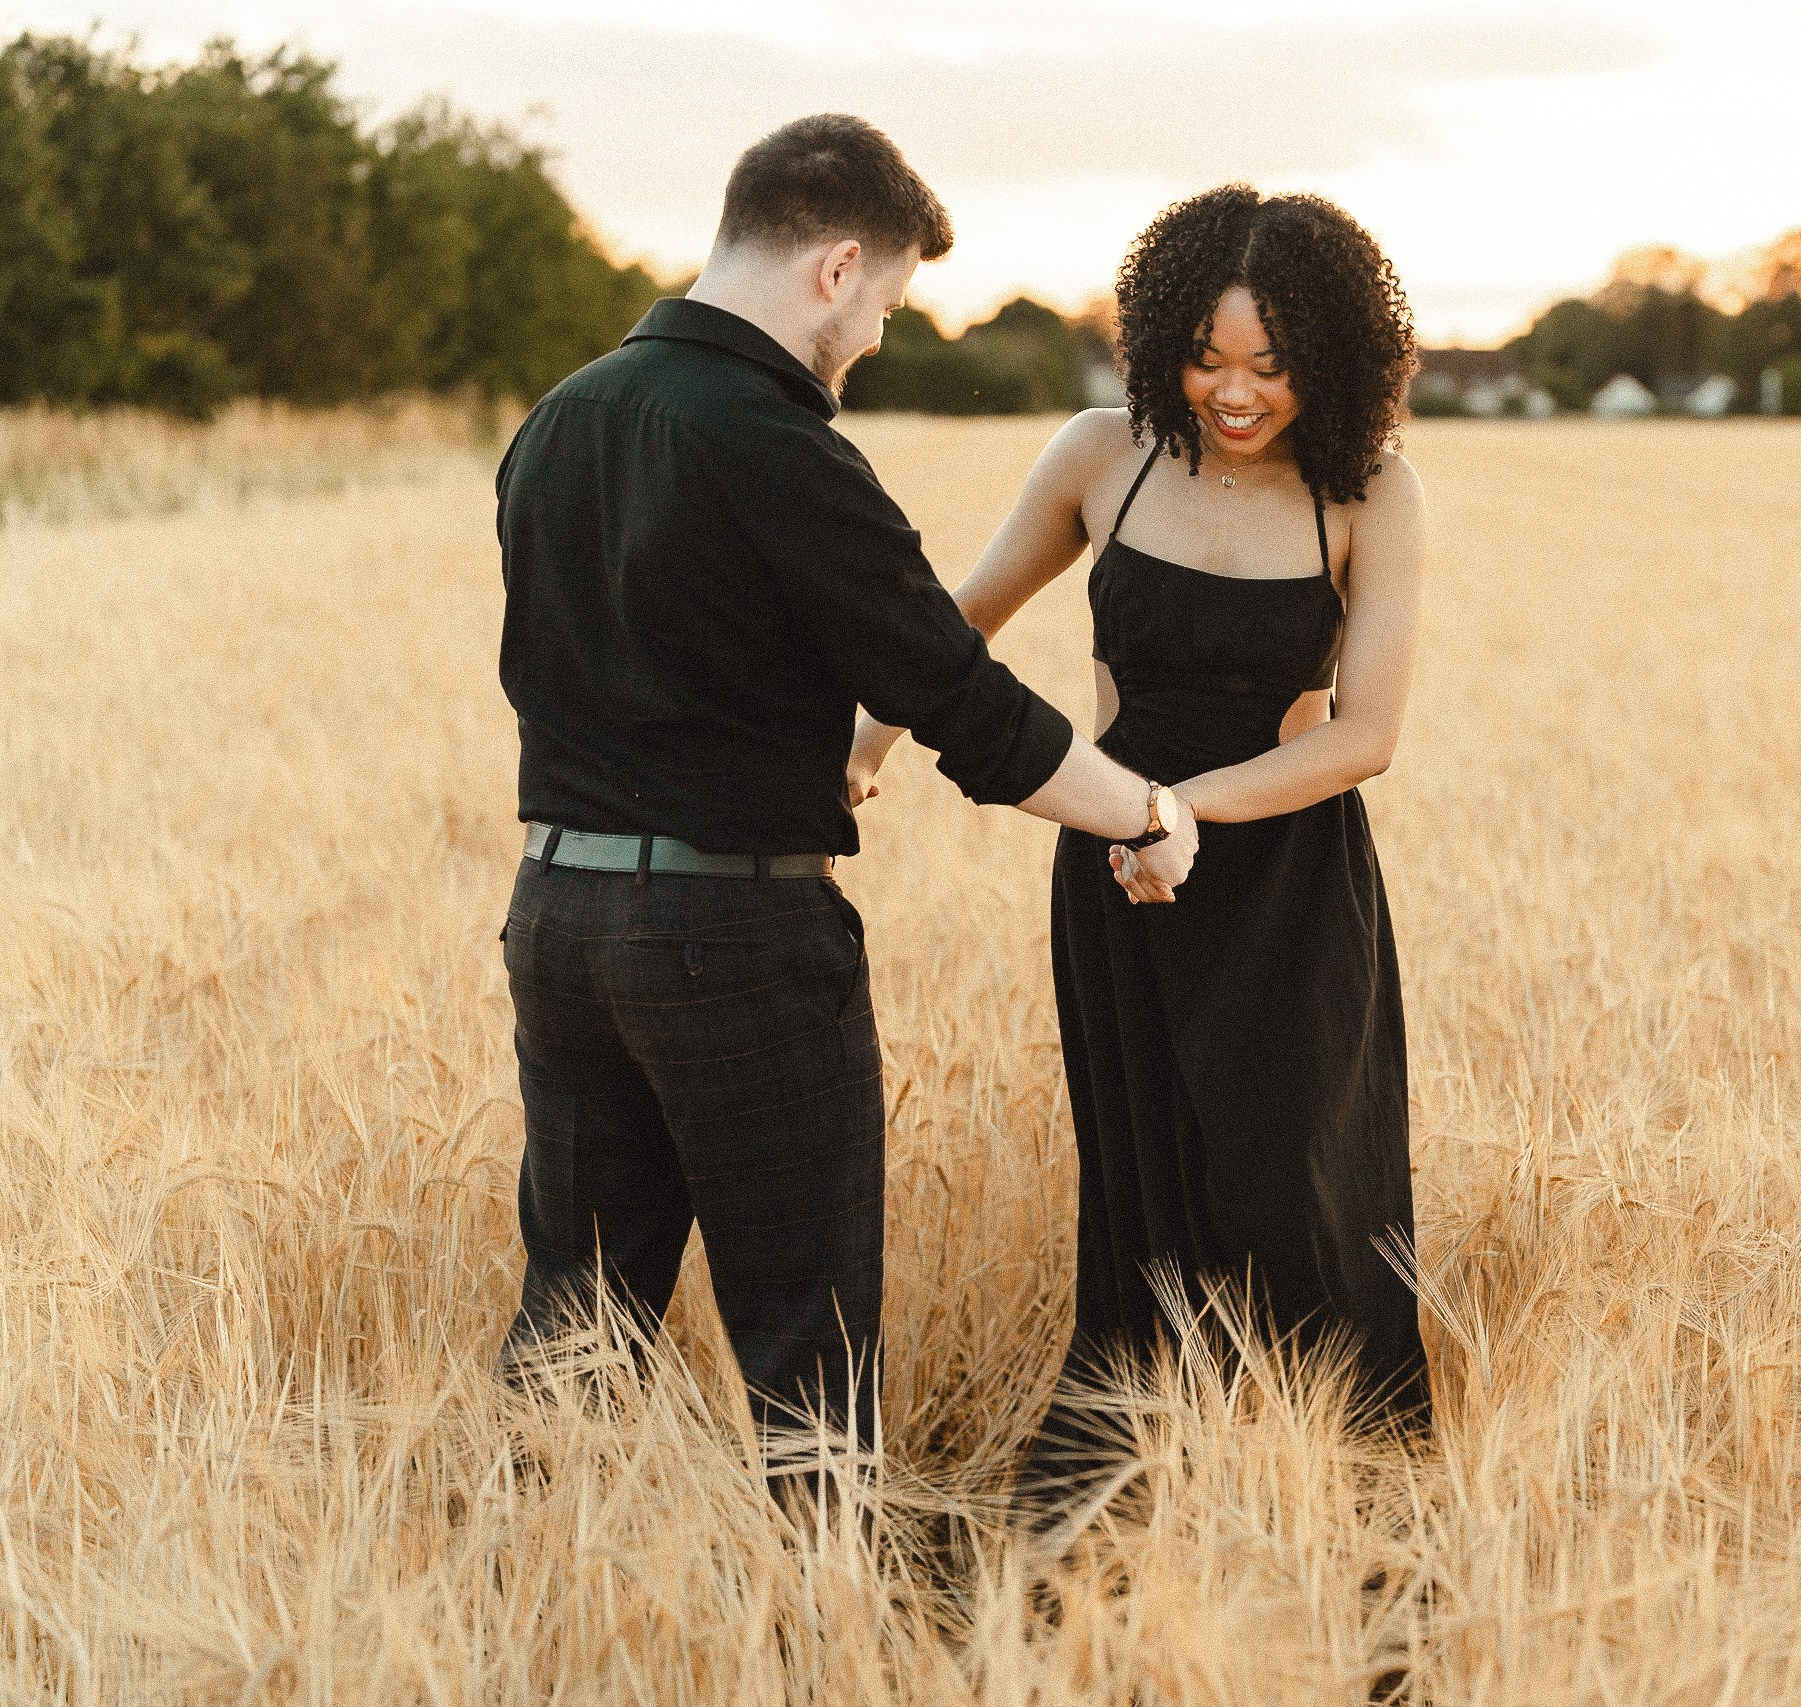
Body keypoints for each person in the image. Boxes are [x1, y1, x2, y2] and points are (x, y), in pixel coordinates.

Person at [490, 114, 1198, 1510]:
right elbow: (959, 697)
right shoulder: (777, 444)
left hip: (556, 915)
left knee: (574, 1321)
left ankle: (526, 1613)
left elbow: (626, 659)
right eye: (884, 306)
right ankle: (822, 1639)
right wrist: (1142, 812)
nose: (874, 340)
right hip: (730, 934)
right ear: (836, 265)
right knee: (803, 1345)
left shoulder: (556, 421)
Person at [847, 186, 1433, 1505]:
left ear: (1330, 359)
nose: (1235, 393)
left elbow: (1364, 737)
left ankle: (1362, 1520)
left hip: (1286, 886)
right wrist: (868, 740)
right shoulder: (1102, 457)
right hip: (1115, 879)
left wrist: (1181, 811)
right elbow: (960, 623)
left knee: (1300, 1204)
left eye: (1273, 366)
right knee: (1146, 1202)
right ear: (1159, 337)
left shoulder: (1370, 495)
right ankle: (1115, 1514)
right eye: (1206, 357)